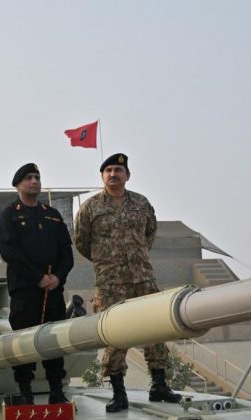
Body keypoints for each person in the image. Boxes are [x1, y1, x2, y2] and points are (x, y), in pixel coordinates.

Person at [73, 153, 182, 413]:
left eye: (118, 170)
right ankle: (118, 391)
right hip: (110, 281)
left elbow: (149, 233)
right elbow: (81, 241)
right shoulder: (90, 207)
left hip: (143, 277)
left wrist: (134, 256)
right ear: (102, 176)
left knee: (156, 328)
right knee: (116, 335)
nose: (113, 174)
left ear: (127, 175)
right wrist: (107, 260)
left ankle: (159, 384)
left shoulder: (142, 203)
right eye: (108, 170)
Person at [0, 163, 74, 405]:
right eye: (29, 178)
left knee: (54, 341)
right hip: (25, 290)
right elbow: (9, 252)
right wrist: (37, 277)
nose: (34, 181)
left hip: (52, 291)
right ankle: (25, 390)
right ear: (18, 184)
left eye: (37, 177)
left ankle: (56, 389)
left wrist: (57, 277)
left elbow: (66, 253)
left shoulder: (52, 214)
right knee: (24, 342)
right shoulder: (9, 215)